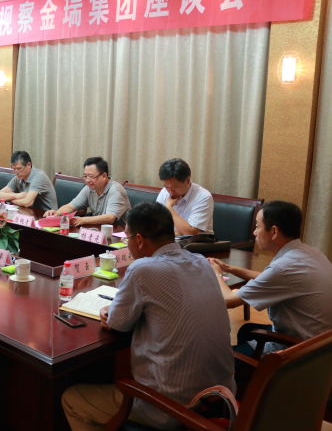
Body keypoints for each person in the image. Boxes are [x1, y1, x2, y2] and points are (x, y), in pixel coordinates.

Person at [62, 202, 234, 430]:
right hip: (220, 399)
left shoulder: (143, 269)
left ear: (140, 240)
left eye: (127, 238)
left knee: (73, 400)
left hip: (173, 408)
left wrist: (110, 313)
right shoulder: (201, 262)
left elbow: (118, 322)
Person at [210, 200, 332, 355]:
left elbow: (228, 301)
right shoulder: (311, 253)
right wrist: (229, 268)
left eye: (257, 226)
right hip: (322, 345)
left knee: (219, 357)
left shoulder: (283, 267)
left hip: (299, 352)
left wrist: (216, 273)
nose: (254, 233)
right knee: (246, 330)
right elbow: (268, 278)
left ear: (274, 231)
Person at [44, 157, 130, 227]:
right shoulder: (89, 188)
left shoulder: (115, 190)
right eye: (85, 176)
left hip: (119, 233)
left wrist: (83, 220)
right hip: (98, 229)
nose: (87, 180)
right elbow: (71, 206)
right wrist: (56, 213)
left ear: (104, 176)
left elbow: (110, 218)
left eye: (91, 176)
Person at [156, 158, 213, 236]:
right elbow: (156, 222)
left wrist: (169, 208)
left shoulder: (203, 196)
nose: (170, 191)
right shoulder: (165, 191)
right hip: (170, 239)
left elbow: (191, 232)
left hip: (197, 242)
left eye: (175, 187)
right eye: (166, 187)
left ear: (187, 180)